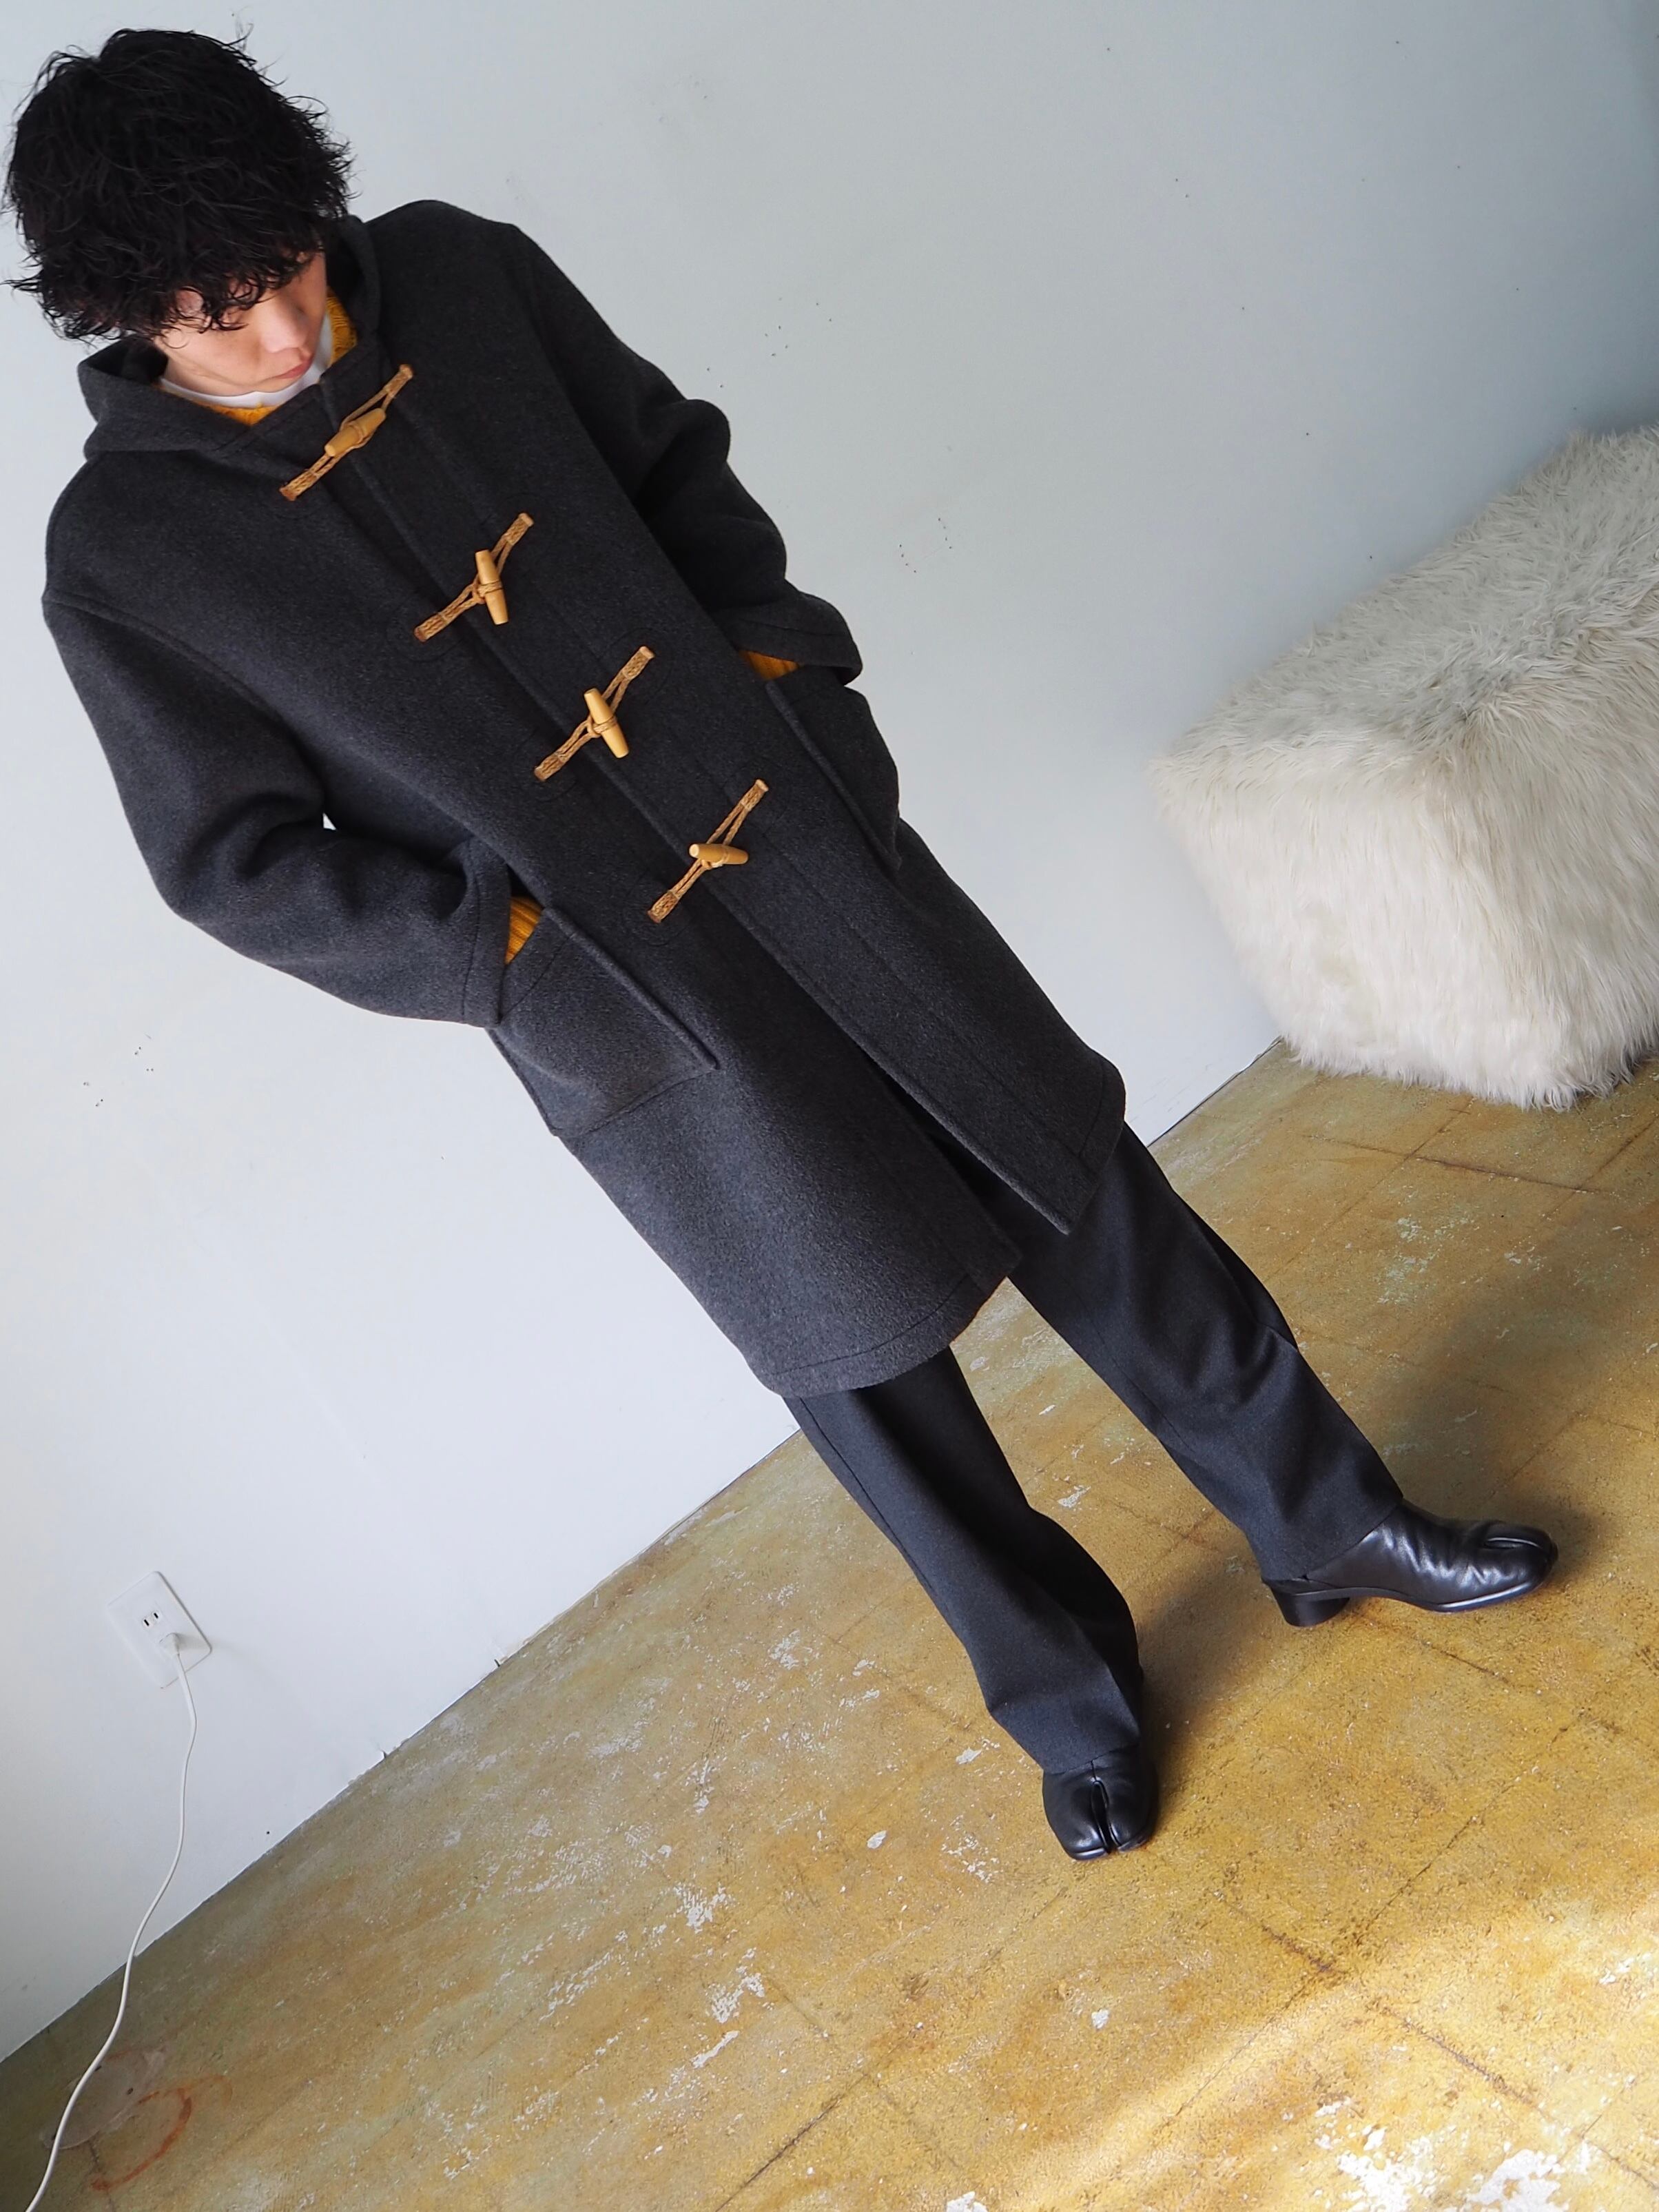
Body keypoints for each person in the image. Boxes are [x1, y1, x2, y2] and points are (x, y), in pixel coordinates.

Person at [8, 30, 1556, 1861]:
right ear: (125, 318)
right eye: (215, 315)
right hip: (618, 996)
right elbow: (235, 860)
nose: (281, 331)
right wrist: (507, 952)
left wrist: (792, 689)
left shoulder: (464, 275)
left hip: (798, 842)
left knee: (1089, 1191)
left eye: (285, 269)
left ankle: (1327, 1519)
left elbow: (675, 466)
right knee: (856, 1364)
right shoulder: (128, 558)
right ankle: (1070, 1703)